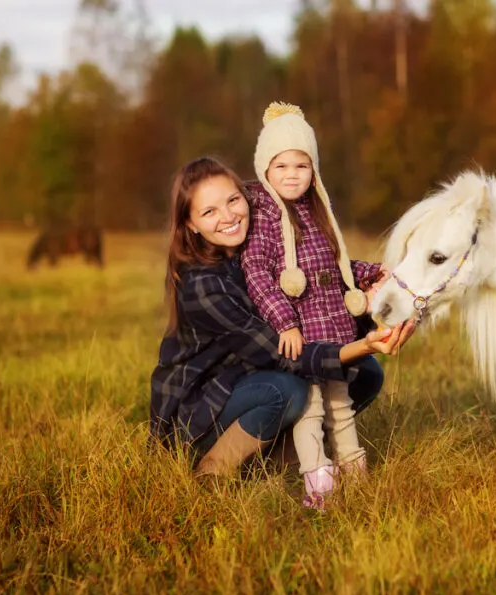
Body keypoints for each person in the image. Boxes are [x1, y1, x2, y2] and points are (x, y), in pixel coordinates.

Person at [148, 156, 412, 484]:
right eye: (209, 212)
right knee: (287, 390)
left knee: (366, 373)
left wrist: (371, 314)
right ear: (190, 224)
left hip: (246, 382)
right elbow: (283, 355)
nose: (228, 217)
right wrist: (359, 347)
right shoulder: (203, 287)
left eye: (233, 200)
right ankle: (209, 471)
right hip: (197, 413)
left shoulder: (259, 250)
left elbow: (316, 309)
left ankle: (278, 463)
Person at [241, 102, 389, 508]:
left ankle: (355, 476)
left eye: (302, 166)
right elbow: (256, 272)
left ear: (314, 170)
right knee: (310, 407)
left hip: (333, 327)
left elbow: (334, 265)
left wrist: (370, 272)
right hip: (301, 335)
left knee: (339, 405)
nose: (292, 175)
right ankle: (319, 484)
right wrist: (285, 322)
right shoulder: (266, 215)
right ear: (265, 169)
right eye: (282, 166)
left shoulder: (317, 210)